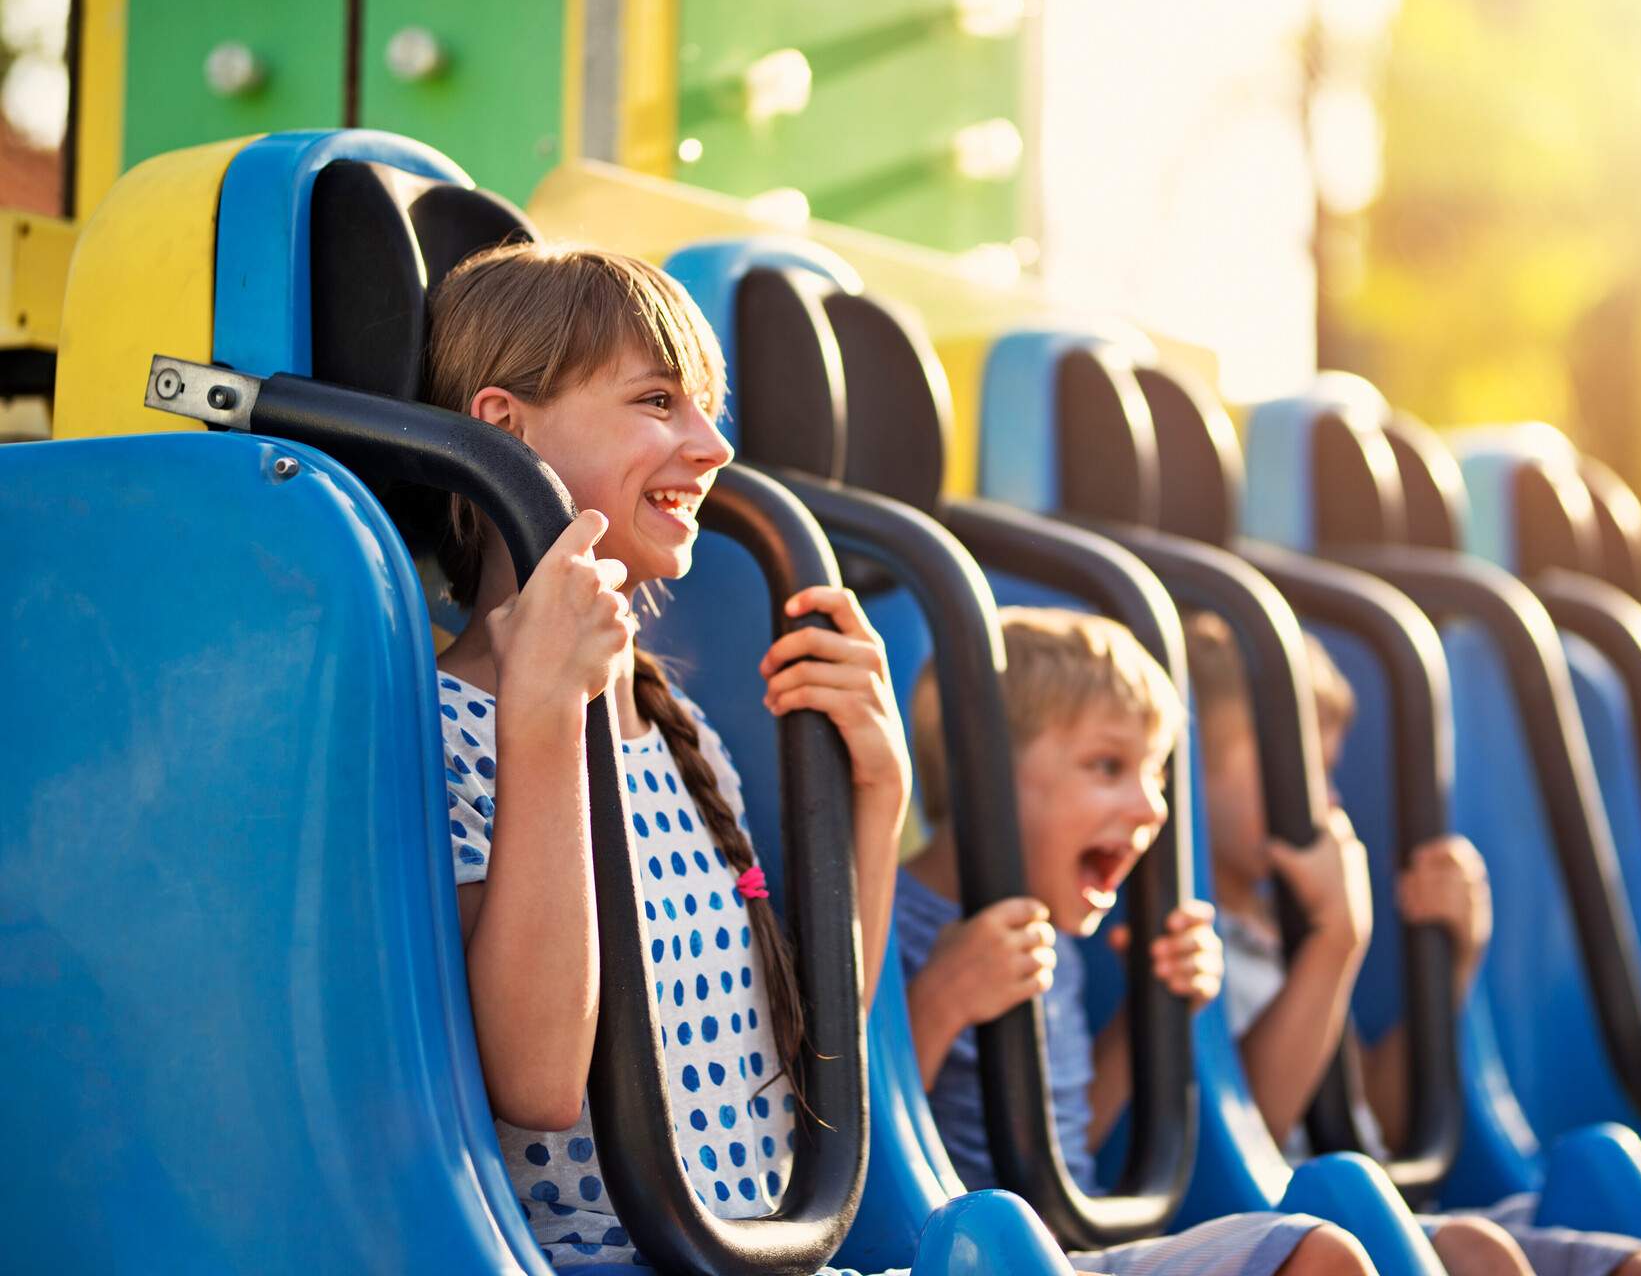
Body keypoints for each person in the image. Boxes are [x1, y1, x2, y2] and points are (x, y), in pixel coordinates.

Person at [426, 243, 913, 1269]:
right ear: (504, 430)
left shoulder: (673, 724)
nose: (712, 446)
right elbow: (539, 1078)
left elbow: (802, 1053)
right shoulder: (447, 727)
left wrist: (880, 790)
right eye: (658, 401)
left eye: (706, 406)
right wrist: (545, 715)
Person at [1183, 613, 1641, 1276]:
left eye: (1329, 772)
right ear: (1192, 766)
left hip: (1378, 1206)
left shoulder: (1288, 930)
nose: (1326, 800)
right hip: (1293, 1221)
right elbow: (1245, 1141)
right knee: (1482, 1256)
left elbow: (1374, 1119)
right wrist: (1336, 942)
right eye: (1297, 767)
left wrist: (1453, 962)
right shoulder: (1196, 941)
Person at [899, 607, 1388, 1276]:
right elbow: (866, 1155)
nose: (1153, 807)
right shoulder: (896, 921)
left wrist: (1148, 1017)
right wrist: (938, 1004)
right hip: (957, 1253)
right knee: (1319, 1257)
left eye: (1157, 775)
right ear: (976, 766)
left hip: (1064, 1247)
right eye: (1108, 766)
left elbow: (1060, 1149)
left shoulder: (1053, 941)